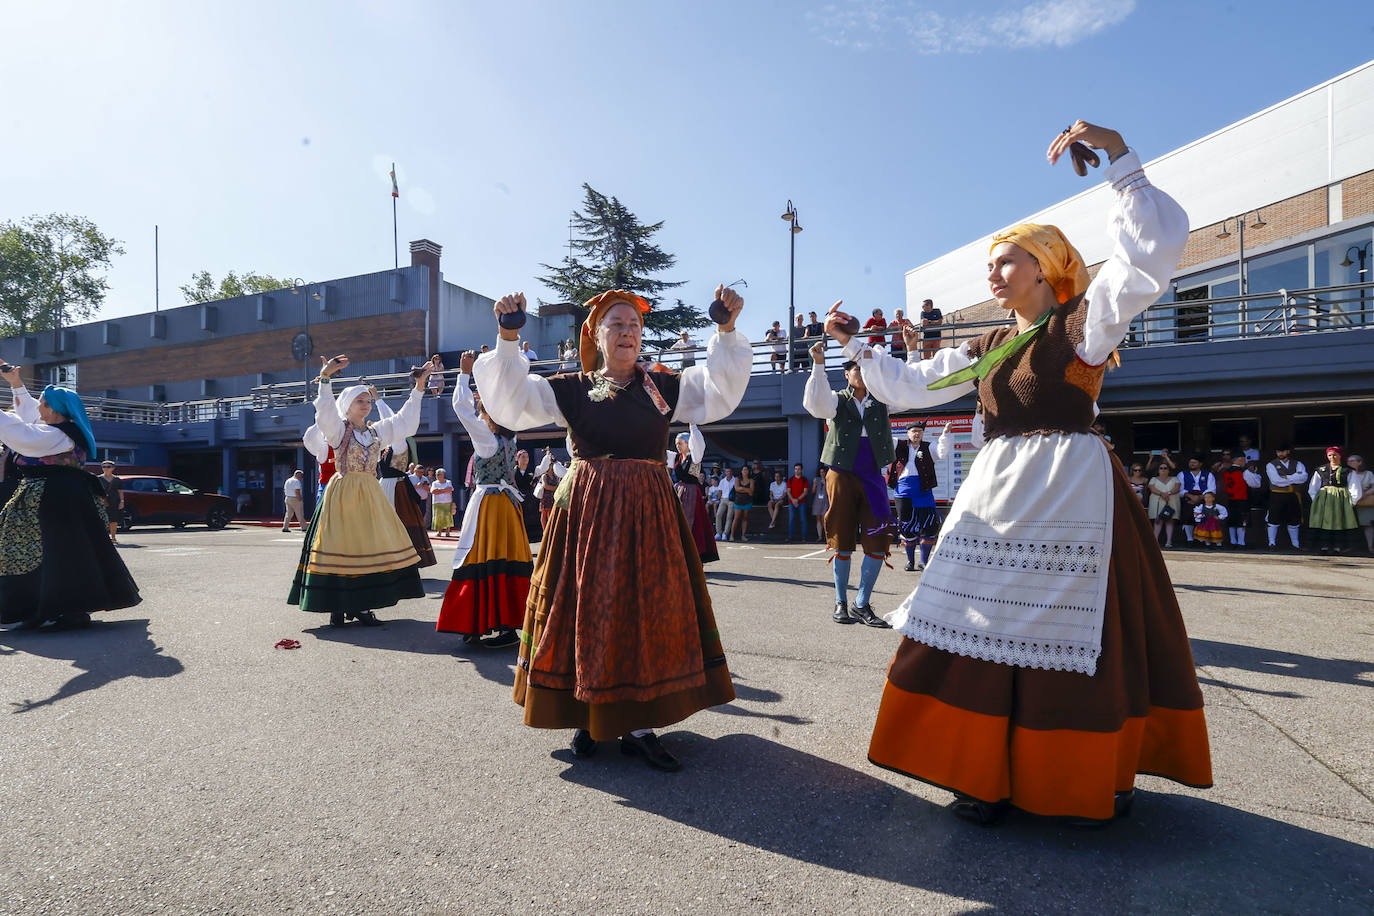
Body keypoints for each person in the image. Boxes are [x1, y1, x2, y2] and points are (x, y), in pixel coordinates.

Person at [846, 122, 1209, 825]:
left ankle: (1088, 770)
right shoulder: (987, 343)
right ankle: (979, 768)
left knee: (1079, 632)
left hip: (1071, 490)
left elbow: (1142, 267)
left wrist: (1122, 167)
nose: (994, 273)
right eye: (992, 264)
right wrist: (859, 346)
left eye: (1007, 262)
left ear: (1044, 269)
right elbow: (914, 385)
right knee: (972, 622)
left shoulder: (1082, 325)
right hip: (999, 490)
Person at [475, 285, 749, 770]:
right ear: (596, 335)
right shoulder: (572, 388)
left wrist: (724, 330)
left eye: (635, 326)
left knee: (643, 611)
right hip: (589, 514)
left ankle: (640, 726)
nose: (628, 332)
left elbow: (719, 391)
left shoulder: (664, 387)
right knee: (586, 608)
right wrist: (508, 337)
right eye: (617, 324)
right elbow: (510, 402)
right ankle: (586, 716)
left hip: (649, 515)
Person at [287, 355, 432, 626]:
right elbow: (325, 412)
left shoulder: (376, 432)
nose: (365, 406)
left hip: (370, 494)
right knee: (341, 545)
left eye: (367, 401)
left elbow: (405, 423)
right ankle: (337, 607)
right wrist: (326, 379)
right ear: (348, 405)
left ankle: (362, 606)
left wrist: (419, 389)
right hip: (343, 493)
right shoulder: (338, 431)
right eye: (360, 401)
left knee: (367, 547)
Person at [0, 366, 141, 629]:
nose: (39, 409)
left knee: (56, 554)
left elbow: (21, 433)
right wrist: (16, 383)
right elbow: (30, 416)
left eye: (43, 405)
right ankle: (42, 607)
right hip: (58, 498)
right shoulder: (62, 430)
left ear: (54, 411)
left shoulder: (56, 436)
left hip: (53, 501)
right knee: (53, 553)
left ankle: (65, 609)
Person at [437, 353, 532, 647]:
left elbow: (460, 409)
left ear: (489, 416)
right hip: (507, 506)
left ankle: (477, 622)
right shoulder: (509, 439)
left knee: (479, 559)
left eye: (483, 412)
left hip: (489, 505)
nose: (479, 415)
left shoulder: (487, 440)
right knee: (506, 561)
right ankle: (505, 626)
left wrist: (464, 375)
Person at [804, 346, 895, 628]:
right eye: (857, 368)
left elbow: (909, 392)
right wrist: (818, 364)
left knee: (879, 538)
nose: (862, 373)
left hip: (873, 476)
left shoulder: (882, 399)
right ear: (846, 374)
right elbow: (815, 404)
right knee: (842, 539)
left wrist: (913, 352)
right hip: (841, 474)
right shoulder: (834, 400)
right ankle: (841, 601)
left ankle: (861, 603)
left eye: (865, 369)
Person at [889, 422, 952, 572]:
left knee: (929, 526)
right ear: (908, 433)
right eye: (913, 431)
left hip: (924, 492)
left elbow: (942, 452)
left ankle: (923, 561)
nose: (916, 434)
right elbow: (885, 439)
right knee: (906, 527)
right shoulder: (899, 444)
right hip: (903, 493)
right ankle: (910, 562)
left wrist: (945, 434)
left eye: (919, 431)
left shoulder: (929, 447)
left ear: (923, 434)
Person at [669, 426, 719, 564]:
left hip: (691, 493)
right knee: (677, 523)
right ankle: (680, 555)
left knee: (693, 524)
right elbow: (658, 452)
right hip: (679, 491)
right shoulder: (677, 457)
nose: (678, 446)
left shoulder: (695, 455)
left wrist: (693, 424)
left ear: (688, 443)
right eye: (676, 443)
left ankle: (694, 556)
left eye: (680, 443)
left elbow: (697, 441)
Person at [1307, 446, 1359, 555]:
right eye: (1330, 455)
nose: (1332, 457)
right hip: (1324, 500)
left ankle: (1338, 547)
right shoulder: (1321, 470)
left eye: (1335, 455)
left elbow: (1354, 486)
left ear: (1340, 456)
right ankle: (1323, 546)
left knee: (1339, 522)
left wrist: (1353, 500)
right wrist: (1315, 500)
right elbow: (1313, 487)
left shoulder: (1348, 471)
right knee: (1323, 522)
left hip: (1341, 500)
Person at [1265, 445, 1308, 550]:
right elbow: (1276, 481)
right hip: (1277, 494)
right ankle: (1271, 543)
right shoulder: (1271, 465)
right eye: (1278, 451)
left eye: (1282, 451)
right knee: (1273, 519)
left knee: (1294, 519)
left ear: (1288, 451)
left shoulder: (1297, 463)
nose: (1280, 454)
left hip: (1293, 494)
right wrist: (1294, 477)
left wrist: (1287, 477)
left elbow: (1303, 478)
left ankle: (1295, 544)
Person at [1178, 456, 1217, 546]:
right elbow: (1180, 489)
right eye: (1190, 462)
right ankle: (1190, 539)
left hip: (1204, 499)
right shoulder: (1182, 474)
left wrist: (1200, 498)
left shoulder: (1208, 474)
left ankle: (1203, 539)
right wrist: (1190, 496)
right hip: (1188, 498)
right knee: (1188, 516)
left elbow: (1212, 489)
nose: (1192, 464)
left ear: (1200, 464)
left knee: (1204, 518)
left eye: (1194, 462)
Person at [1220, 455, 1254, 549]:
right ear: (1240, 460)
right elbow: (1254, 484)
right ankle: (1241, 542)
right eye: (1244, 460)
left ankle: (1232, 541)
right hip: (1242, 499)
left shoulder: (1225, 471)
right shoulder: (1243, 472)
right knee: (1241, 522)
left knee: (1232, 521)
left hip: (1230, 499)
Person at [1148, 461, 1181, 548]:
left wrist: (1168, 493)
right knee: (1158, 521)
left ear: (1169, 470)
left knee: (1170, 521)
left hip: (1171, 501)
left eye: (1165, 468)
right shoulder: (1153, 479)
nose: (1163, 470)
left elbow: (1177, 488)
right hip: (1158, 501)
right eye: (1161, 468)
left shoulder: (1175, 479)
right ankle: (1155, 541)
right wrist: (1162, 494)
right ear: (1158, 470)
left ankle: (1169, 541)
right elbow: (1152, 488)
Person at [534, 447, 567, 532]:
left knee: (551, 513)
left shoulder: (556, 476)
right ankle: (545, 530)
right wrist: (556, 488)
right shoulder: (544, 475)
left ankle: (551, 530)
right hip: (546, 497)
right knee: (544, 514)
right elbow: (546, 486)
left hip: (553, 497)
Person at [512, 449, 542, 541]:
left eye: (527, 457)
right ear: (518, 459)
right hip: (517, 498)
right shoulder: (513, 472)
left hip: (530, 499)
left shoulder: (531, 471)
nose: (525, 459)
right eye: (523, 457)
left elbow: (534, 484)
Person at [1348, 454, 1374, 554]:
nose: (1349, 463)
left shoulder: (1368, 474)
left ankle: (1370, 547)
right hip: (1350, 502)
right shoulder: (1347, 473)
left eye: (1352, 461)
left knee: (1368, 525)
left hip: (1365, 502)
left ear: (1360, 462)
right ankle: (1351, 547)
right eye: (1348, 461)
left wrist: (1365, 494)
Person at [98, 460, 124, 544]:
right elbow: (95, 491)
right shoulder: (98, 478)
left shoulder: (117, 479)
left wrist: (122, 501)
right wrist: (100, 499)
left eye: (108, 466)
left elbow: (120, 491)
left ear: (113, 468)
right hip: (102, 501)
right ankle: (104, 538)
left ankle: (113, 538)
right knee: (102, 520)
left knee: (113, 520)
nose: (105, 468)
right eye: (103, 467)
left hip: (114, 501)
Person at [786, 463, 810, 541]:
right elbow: (788, 491)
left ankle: (804, 537)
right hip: (791, 502)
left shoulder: (805, 480)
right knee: (791, 519)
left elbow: (805, 492)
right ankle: (790, 536)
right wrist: (793, 500)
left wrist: (797, 500)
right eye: (795, 469)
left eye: (799, 469)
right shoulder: (790, 479)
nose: (797, 470)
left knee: (803, 519)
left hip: (802, 502)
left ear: (801, 470)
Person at [729, 465, 754, 542]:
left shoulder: (751, 480)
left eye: (746, 470)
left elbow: (751, 492)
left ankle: (743, 535)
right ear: (741, 471)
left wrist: (742, 489)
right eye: (744, 470)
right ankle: (731, 535)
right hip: (738, 501)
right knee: (736, 518)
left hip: (747, 501)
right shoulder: (737, 479)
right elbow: (737, 489)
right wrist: (746, 489)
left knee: (745, 518)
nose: (745, 471)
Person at [430, 468, 455, 536]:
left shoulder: (448, 482)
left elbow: (450, 489)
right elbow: (433, 491)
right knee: (438, 517)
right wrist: (444, 490)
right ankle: (439, 532)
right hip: (437, 502)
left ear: (443, 475)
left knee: (447, 517)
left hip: (447, 502)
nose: (437, 476)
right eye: (437, 474)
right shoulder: (434, 483)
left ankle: (447, 532)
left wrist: (439, 490)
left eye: (439, 474)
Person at [714, 465, 736, 539]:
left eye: (729, 471)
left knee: (729, 516)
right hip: (723, 499)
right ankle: (718, 533)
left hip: (731, 500)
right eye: (727, 471)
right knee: (718, 515)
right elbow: (720, 491)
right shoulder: (723, 481)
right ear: (725, 473)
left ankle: (725, 533)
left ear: (732, 472)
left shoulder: (735, 480)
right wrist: (719, 499)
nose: (728, 473)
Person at [810, 464, 829, 543]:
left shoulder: (828, 480)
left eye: (823, 472)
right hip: (817, 501)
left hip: (825, 501)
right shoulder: (816, 479)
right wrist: (814, 484)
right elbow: (813, 492)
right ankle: (820, 536)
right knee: (818, 518)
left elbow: (830, 492)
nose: (822, 474)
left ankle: (827, 536)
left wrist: (825, 483)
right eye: (821, 472)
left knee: (823, 518)